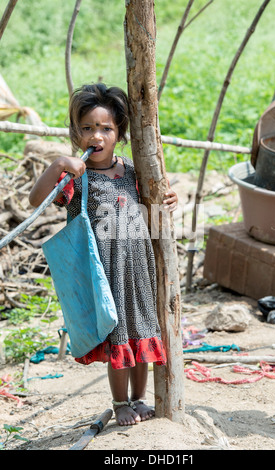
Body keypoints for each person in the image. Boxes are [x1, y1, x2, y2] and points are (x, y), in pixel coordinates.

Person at [29, 83, 178, 426]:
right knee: (118, 338)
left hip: (139, 271)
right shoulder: (77, 181)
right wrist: (56, 166)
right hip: (105, 274)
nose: (96, 135)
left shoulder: (133, 171)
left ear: (119, 134)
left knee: (142, 332)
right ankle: (119, 403)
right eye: (87, 128)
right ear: (76, 133)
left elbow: (155, 201)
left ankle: (139, 399)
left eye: (106, 128)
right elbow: (36, 200)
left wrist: (169, 198)